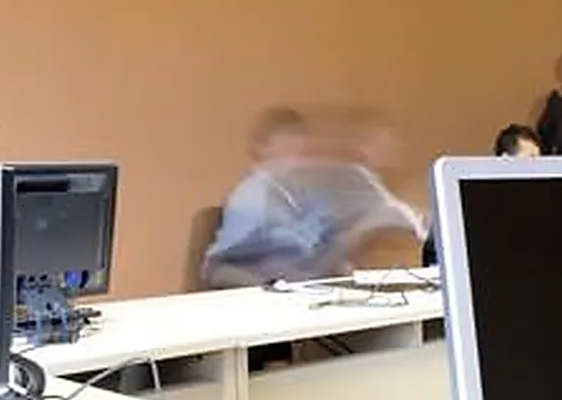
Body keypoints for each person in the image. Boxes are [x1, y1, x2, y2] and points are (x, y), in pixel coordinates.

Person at [203, 107, 423, 287]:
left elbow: (324, 248)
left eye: (300, 144)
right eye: (286, 144)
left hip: (309, 286)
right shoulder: (252, 194)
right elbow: (223, 267)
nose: (296, 151)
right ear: (263, 149)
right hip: (268, 287)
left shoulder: (309, 193)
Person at [422, 125, 541, 267]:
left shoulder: (534, 204)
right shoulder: (470, 198)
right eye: (530, 160)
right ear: (505, 160)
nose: (537, 170)